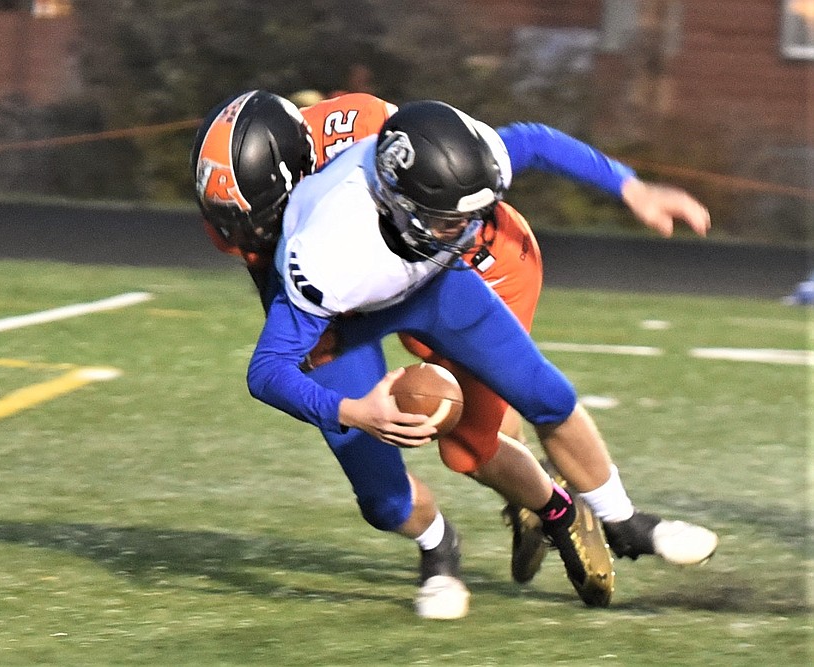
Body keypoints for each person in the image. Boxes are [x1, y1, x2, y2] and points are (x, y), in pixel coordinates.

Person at [192, 91, 718, 615]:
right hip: (341, 309)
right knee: (382, 498)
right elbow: (268, 369)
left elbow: (527, 145)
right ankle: (439, 548)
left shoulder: (405, 152)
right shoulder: (321, 252)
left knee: (531, 402)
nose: (242, 237)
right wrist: (354, 412)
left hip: (433, 278)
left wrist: (629, 187)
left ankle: (620, 520)